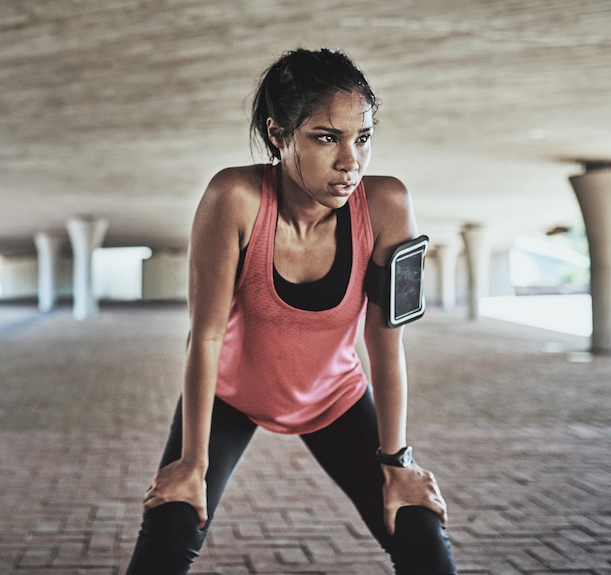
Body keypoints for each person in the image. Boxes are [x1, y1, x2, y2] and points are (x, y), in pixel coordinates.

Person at [126, 47, 458, 575]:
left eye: (363, 137)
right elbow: (205, 336)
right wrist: (191, 463)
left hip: (336, 396)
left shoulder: (388, 204)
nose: (350, 160)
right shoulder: (234, 197)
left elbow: (385, 340)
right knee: (169, 529)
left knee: (419, 532)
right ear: (278, 133)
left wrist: (398, 462)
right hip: (231, 395)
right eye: (326, 138)